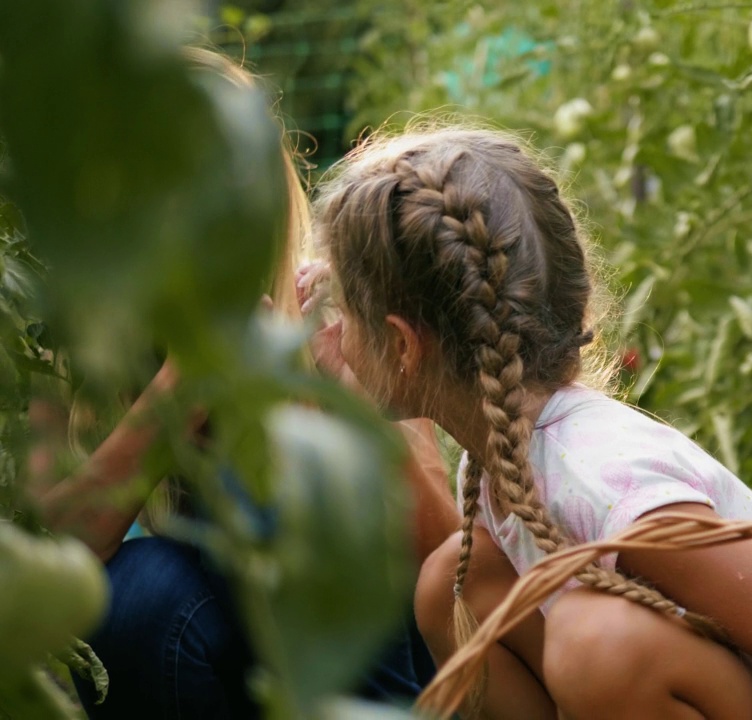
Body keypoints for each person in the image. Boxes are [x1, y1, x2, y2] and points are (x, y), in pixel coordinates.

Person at [308, 126, 752, 719]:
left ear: (404, 347)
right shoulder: (509, 451)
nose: (329, 332)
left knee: (596, 642)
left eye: (341, 313)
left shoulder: (603, 478)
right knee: (452, 584)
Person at [26, 48, 456, 719]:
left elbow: (447, 571)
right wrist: (180, 394)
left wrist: (356, 407)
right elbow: (44, 568)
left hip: (371, 682)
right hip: (197, 660)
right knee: (143, 591)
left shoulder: (333, 313)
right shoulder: (65, 348)